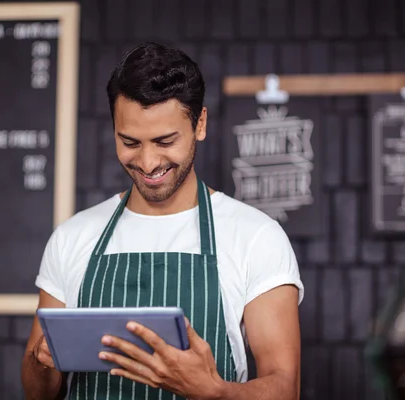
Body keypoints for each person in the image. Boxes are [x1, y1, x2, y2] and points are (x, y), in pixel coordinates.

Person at [21, 41, 304, 400]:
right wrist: (40, 361)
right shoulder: (73, 236)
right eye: (130, 142)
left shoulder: (256, 236)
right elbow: (37, 393)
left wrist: (215, 392)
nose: (149, 161)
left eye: (165, 140)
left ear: (199, 124)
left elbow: (285, 386)